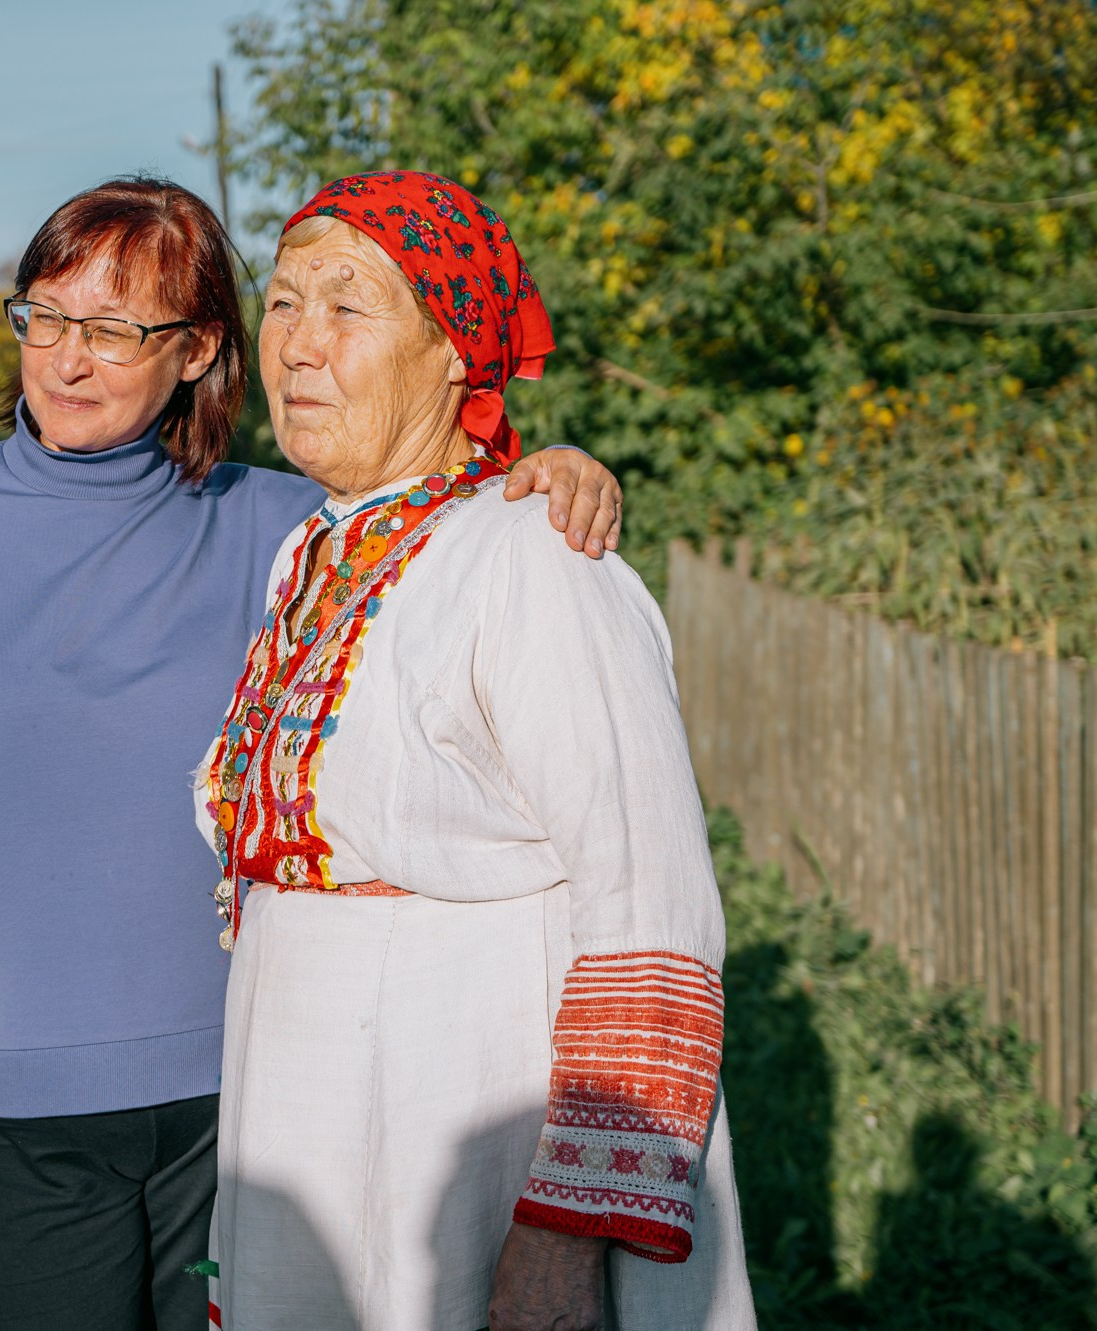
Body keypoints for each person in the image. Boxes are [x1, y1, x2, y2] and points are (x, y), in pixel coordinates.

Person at [0, 175, 626, 1331]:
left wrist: (547, 474)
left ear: (195, 352)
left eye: (112, 330)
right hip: (4, 1105)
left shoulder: (279, 530)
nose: (65, 360)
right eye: (44, 315)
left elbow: (433, 521)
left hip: (250, 1098)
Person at [198, 171, 756, 1331]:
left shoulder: (533, 557)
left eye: (347, 309)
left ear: (453, 349)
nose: (299, 345)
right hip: (305, 1130)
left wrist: (560, 1239)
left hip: (455, 1142)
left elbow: (649, 904)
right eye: (285, 302)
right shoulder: (311, 554)